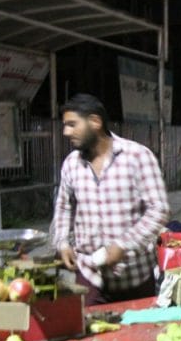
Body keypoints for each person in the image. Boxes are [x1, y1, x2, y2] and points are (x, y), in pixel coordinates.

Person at [52, 93, 170, 306]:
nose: (66, 132)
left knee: (139, 335)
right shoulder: (71, 164)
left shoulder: (137, 156)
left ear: (95, 122)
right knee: (89, 336)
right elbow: (63, 206)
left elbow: (158, 210)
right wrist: (61, 241)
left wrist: (123, 245)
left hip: (135, 277)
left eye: (72, 124)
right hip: (90, 277)